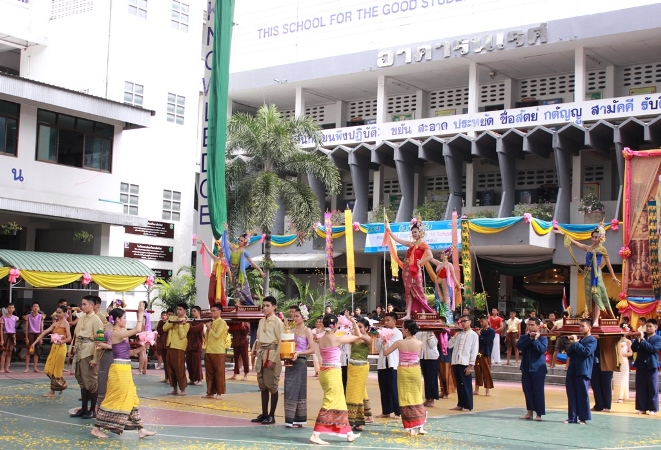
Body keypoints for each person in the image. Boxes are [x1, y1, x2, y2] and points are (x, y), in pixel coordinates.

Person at [91, 304, 156, 439]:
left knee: (131, 397)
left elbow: (128, 353)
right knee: (114, 398)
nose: (125, 320)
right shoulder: (116, 334)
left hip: (125, 369)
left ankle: (141, 429)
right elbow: (137, 329)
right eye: (124, 318)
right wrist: (141, 313)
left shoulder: (121, 334)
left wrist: (142, 348)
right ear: (117, 319)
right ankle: (96, 428)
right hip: (119, 370)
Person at [309, 314, 361, 445]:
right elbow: (358, 336)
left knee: (340, 401)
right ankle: (315, 434)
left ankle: (348, 433)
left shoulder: (322, 338)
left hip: (326, 371)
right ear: (335, 325)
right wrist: (353, 321)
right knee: (330, 401)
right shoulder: (336, 339)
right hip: (332, 373)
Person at [556, 227, 620, 326]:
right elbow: (576, 243)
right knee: (590, 297)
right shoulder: (588, 248)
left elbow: (608, 264)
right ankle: (593, 317)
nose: (594, 239)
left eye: (596, 237)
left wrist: (613, 277)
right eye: (593, 237)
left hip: (596, 275)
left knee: (596, 295)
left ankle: (596, 320)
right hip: (587, 274)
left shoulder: (602, 249)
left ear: (600, 238)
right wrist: (564, 234)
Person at [384, 219, 435, 320]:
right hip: (407, 270)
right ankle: (408, 314)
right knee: (409, 292)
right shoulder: (412, 244)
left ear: (420, 232)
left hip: (415, 270)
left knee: (419, 290)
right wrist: (388, 229)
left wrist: (420, 262)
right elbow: (397, 239)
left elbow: (430, 256)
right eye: (412, 232)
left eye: (415, 232)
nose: (414, 234)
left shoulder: (423, 244)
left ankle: (423, 312)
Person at [383, 319, 426, 436]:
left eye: (402, 327)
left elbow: (386, 353)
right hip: (415, 370)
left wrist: (385, 343)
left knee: (405, 396)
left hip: (403, 371)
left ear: (407, 330)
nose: (401, 329)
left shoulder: (399, 343)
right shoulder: (419, 343)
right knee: (417, 395)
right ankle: (420, 426)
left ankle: (411, 427)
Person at [251, 296, 285, 425]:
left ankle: (272, 415)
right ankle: (264, 413)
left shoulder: (278, 322)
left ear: (274, 307)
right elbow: (258, 338)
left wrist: (274, 359)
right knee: (262, 384)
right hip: (262, 353)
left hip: (271, 353)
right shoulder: (261, 321)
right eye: (263, 306)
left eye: (267, 306)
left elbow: (281, 342)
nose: (264, 308)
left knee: (272, 385)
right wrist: (255, 350)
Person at [70, 296, 104, 419]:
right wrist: (72, 350)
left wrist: (95, 359)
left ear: (92, 305)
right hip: (79, 351)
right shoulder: (82, 318)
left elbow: (99, 340)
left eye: (84, 304)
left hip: (89, 352)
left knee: (90, 381)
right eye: (82, 304)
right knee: (82, 380)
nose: (82, 306)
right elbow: (76, 336)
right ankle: (84, 409)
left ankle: (93, 410)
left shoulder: (96, 320)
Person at [30, 306, 71, 396]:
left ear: (65, 313)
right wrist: (34, 343)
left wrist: (62, 341)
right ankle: (61, 384)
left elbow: (69, 338)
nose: (58, 314)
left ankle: (52, 391)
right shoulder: (56, 323)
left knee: (56, 369)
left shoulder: (66, 323)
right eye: (57, 312)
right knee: (48, 369)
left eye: (60, 312)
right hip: (54, 347)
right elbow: (44, 332)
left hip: (61, 348)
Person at [284, 308, 314, 427]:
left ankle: (298, 419)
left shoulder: (307, 330)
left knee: (299, 389)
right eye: (294, 316)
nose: (294, 318)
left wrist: (299, 353)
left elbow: (312, 349)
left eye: (297, 316)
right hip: (290, 361)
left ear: (303, 317)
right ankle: (289, 419)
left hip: (300, 361)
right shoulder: (291, 330)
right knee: (289, 389)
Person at [221, 226, 265, 306]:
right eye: (239, 240)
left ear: (245, 243)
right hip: (233, 271)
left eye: (241, 241)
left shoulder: (244, 251)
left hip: (239, 272)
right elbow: (226, 241)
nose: (239, 241)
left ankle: (239, 302)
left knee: (241, 288)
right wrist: (225, 231)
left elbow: (252, 263)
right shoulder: (234, 249)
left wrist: (260, 270)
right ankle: (239, 302)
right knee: (236, 288)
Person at [565, 319, 597, 424]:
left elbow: (586, 352)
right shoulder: (580, 341)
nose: (580, 328)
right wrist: (575, 343)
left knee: (582, 394)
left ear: (589, 328)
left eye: (583, 326)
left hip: (583, 370)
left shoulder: (592, 340)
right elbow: (569, 353)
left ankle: (583, 418)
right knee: (571, 393)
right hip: (573, 369)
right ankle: (572, 417)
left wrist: (576, 343)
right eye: (580, 326)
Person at [516, 317, 548, 421]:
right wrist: (530, 338)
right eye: (528, 325)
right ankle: (529, 412)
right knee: (527, 390)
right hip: (526, 367)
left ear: (538, 326)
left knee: (538, 391)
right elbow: (519, 346)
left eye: (532, 325)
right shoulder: (524, 337)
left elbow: (541, 349)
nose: (530, 327)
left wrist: (535, 339)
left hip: (538, 368)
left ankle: (539, 414)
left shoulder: (543, 338)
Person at [346, 317, 373, 431]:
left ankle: (355, 421)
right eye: (358, 326)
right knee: (356, 393)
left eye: (361, 327)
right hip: (352, 367)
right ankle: (361, 420)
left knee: (355, 394)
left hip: (361, 368)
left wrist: (353, 322)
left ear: (366, 328)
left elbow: (360, 335)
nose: (358, 328)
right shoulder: (355, 338)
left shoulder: (368, 338)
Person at [448, 314, 479, 412]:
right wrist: (454, 336)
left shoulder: (473, 335)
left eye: (465, 321)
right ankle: (460, 404)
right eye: (461, 322)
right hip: (456, 361)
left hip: (465, 362)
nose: (463, 323)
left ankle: (468, 405)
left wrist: (470, 366)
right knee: (459, 384)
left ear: (470, 322)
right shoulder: (459, 334)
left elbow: (474, 351)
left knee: (466, 384)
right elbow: (449, 345)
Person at [375, 312, 402, 419]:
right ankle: (386, 411)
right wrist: (379, 337)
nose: (386, 322)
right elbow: (378, 347)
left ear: (394, 321)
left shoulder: (398, 333)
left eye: (388, 320)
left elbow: (393, 345)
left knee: (393, 388)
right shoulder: (383, 332)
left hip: (392, 363)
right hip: (382, 363)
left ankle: (397, 412)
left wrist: (385, 338)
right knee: (384, 388)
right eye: (385, 320)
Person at [631, 318, 661, 415]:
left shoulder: (658, 338)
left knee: (652, 387)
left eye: (650, 326)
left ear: (655, 327)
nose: (648, 328)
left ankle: (653, 408)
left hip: (651, 365)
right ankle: (642, 408)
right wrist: (638, 340)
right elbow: (634, 348)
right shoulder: (641, 337)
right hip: (641, 365)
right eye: (647, 326)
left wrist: (643, 340)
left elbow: (652, 349)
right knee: (641, 387)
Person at [163, 303, 190, 396]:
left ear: (185, 311)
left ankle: (183, 389)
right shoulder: (172, 318)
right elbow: (164, 328)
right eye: (177, 309)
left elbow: (182, 335)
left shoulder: (187, 322)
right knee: (170, 368)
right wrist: (174, 322)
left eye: (180, 309)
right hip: (170, 345)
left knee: (179, 368)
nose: (178, 311)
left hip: (179, 347)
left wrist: (180, 325)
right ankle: (174, 388)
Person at [202, 303, 228, 400]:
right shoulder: (211, 322)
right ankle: (210, 392)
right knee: (209, 373)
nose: (212, 312)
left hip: (218, 351)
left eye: (214, 310)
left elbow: (217, 336)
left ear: (220, 311)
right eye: (211, 310)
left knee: (219, 373)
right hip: (209, 350)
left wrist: (209, 328)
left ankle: (219, 393)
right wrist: (207, 329)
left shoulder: (222, 322)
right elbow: (206, 338)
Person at [433, 248, 462, 324]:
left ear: (446, 255)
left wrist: (458, 285)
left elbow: (454, 277)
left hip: (445, 284)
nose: (441, 255)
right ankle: (441, 321)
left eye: (442, 253)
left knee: (447, 302)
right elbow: (431, 258)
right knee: (439, 302)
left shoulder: (449, 265)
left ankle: (448, 322)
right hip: (438, 285)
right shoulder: (438, 263)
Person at [95, 307, 115, 414]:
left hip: (117, 357)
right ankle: (100, 408)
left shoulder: (123, 329)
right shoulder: (107, 326)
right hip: (106, 354)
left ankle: (112, 408)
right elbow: (99, 342)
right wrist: (107, 346)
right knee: (103, 378)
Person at [198, 239, 230, 307]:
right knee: (211, 294)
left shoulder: (225, 261)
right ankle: (213, 306)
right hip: (213, 277)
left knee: (220, 293)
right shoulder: (216, 258)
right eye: (220, 251)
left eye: (223, 251)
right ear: (218, 252)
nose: (221, 252)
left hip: (220, 279)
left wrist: (231, 279)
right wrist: (204, 244)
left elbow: (228, 271)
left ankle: (222, 307)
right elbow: (209, 252)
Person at [591, 337, 617, 413]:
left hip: (606, 363)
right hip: (595, 363)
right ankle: (599, 405)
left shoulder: (609, 338)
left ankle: (607, 406)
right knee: (595, 385)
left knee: (606, 385)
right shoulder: (592, 338)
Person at [418, 327, 439, 407]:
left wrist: (430, 334)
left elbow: (432, 345)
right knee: (426, 379)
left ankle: (432, 399)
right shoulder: (418, 333)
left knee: (432, 379)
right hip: (422, 357)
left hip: (432, 357)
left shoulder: (431, 333)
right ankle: (427, 397)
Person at [474, 316, 495, 397]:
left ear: (487, 321)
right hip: (478, 353)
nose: (481, 323)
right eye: (480, 322)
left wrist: (479, 335)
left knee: (486, 371)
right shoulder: (481, 330)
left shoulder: (491, 331)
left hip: (486, 353)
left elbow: (487, 341)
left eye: (482, 321)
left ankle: (487, 390)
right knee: (477, 370)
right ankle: (476, 389)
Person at [437, 316, 456, 399]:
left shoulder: (446, 332)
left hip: (446, 354)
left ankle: (447, 392)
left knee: (446, 374)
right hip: (439, 354)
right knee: (440, 374)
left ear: (444, 322)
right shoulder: (437, 331)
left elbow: (447, 344)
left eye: (440, 322)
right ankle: (442, 390)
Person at [23, 302, 44, 373]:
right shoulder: (28, 316)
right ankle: (27, 367)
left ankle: (35, 367)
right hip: (31, 334)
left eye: (37, 306)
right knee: (29, 351)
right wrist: (27, 337)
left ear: (39, 308)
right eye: (34, 306)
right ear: (32, 308)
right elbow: (26, 328)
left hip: (38, 334)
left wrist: (41, 337)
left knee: (36, 351)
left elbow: (41, 327)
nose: (35, 308)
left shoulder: (40, 316)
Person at [186, 305, 205, 386]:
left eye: (194, 311)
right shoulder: (191, 321)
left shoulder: (201, 322)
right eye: (192, 311)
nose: (193, 313)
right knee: (189, 363)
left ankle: (199, 379)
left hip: (197, 345)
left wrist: (188, 323)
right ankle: (192, 379)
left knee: (196, 364)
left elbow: (193, 329)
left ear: (199, 312)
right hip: (189, 345)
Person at [613, 326, 632, 403]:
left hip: (624, 361)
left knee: (623, 379)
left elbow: (630, 353)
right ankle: (617, 396)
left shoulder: (628, 341)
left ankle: (621, 397)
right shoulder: (616, 340)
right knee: (616, 379)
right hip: (616, 361)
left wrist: (622, 354)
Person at [0, 304, 18, 373]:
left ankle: (7, 368)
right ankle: (2, 368)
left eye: (12, 308)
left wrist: (15, 339)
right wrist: (2, 339)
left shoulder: (15, 318)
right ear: (7, 308)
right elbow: (1, 329)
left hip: (12, 335)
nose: (11, 309)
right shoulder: (3, 318)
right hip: (6, 334)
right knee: (4, 352)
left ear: (14, 309)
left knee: (9, 352)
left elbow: (14, 329)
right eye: (9, 307)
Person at [137, 301, 151, 375]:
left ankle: (140, 370)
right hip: (148, 333)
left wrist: (140, 334)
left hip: (144, 333)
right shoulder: (147, 313)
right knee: (145, 352)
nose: (138, 306)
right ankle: (144, 370)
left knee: (142, 352)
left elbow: (142, 325)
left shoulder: (142, 314)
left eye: (140, 305)